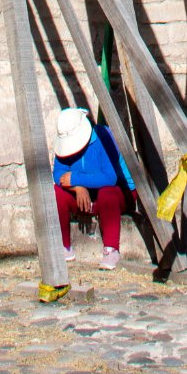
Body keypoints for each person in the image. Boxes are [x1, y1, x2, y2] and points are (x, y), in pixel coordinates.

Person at [53, 106, 133, 270]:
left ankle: (111, 249)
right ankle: (64, 247)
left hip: (117, 194)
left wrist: (76, 178)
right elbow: (58, 174)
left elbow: (110, 177)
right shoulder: (63, 144)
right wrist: (77, 187)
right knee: (57, 192)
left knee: (107, 193)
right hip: (85, 197)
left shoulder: (103, 136)